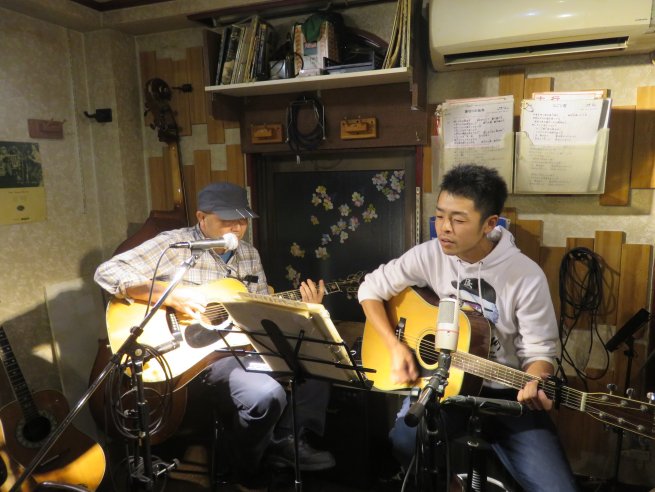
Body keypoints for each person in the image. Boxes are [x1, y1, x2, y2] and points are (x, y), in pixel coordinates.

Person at [95, 182, 335, 491]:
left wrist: (304, 308)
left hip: (242, 344)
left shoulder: (248, 254)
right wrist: (171, 296)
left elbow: (260, 309)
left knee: (318, 362)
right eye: (227, 220)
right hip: (197, 356)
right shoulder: (175, 245)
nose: (237, 228)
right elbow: (107, 272)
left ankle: (286, 440)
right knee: (265, 395)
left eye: (243, 220)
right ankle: (247, 471)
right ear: (202, 218)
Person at [357, 164, 578, 492]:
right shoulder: (429, 255)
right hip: (445, 388)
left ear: (490, 224)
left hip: (507, 396)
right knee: (405, 441)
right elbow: (370, 290)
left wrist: (536, 380)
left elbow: (539, 353)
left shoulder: (526, 275)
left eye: (458, 220)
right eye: (439, 216)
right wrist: (394, 345)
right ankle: (450, 485)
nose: (444, 228)